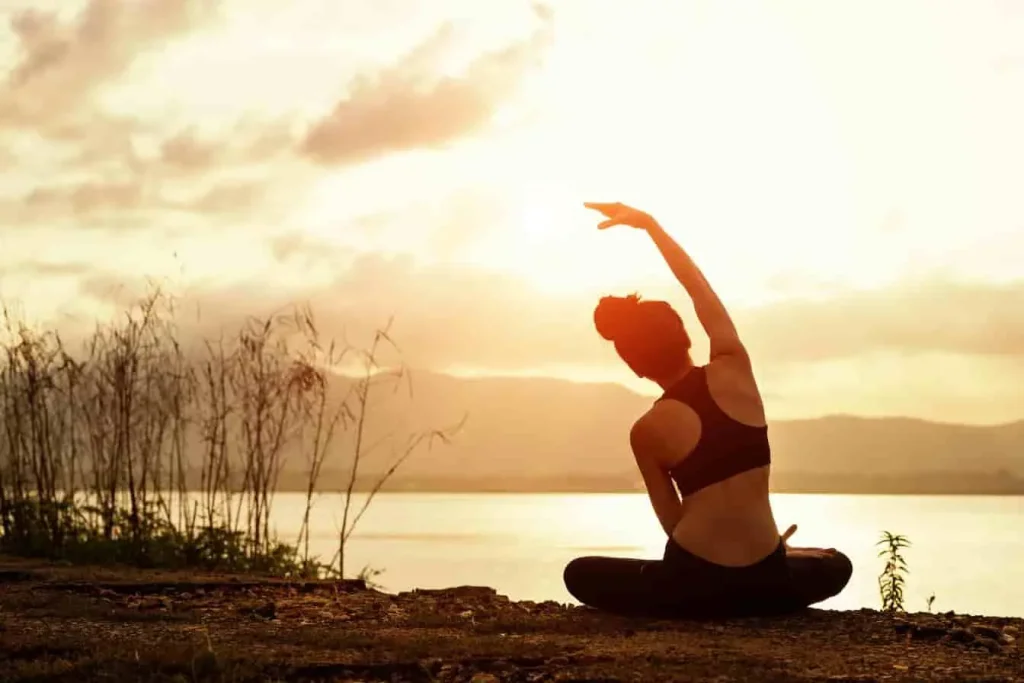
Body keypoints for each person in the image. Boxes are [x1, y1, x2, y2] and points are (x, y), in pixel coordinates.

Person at [563, 201, 853, 619]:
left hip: (694, 587)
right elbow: (698, 287)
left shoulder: (646, 431)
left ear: (634, 366)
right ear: (685, 335)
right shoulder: (735, 368)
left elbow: (674, 525)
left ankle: (713, 596)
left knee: (580, 573)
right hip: (767, 580)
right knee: (835, 562)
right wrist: (650, 226)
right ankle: (769, 575)